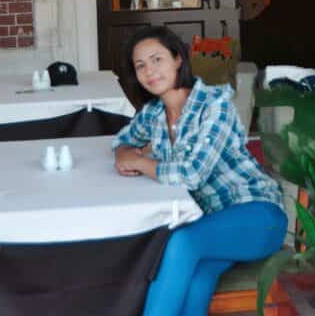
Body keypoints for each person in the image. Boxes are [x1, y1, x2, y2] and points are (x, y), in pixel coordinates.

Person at [112, 26, 287, 316]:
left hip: (258, 216)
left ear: (177, 59)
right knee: (198, 278)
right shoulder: (155, 113)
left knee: (181, 242)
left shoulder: (214, 105)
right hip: (213, 225)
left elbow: (191, 173)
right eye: (140, 65)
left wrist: (141, 162)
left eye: (157, 60)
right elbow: (122, 141)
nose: (149, 71)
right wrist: (124, 154)